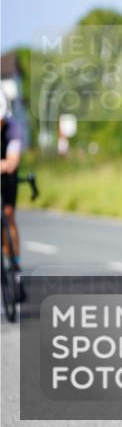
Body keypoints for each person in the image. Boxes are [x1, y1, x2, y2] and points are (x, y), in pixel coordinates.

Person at [0, 93, 25, 299]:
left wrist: (9, 163)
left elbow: (13, 158)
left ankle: (15, 265)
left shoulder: (12, 127)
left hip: (6, 175)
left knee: (8, 214)